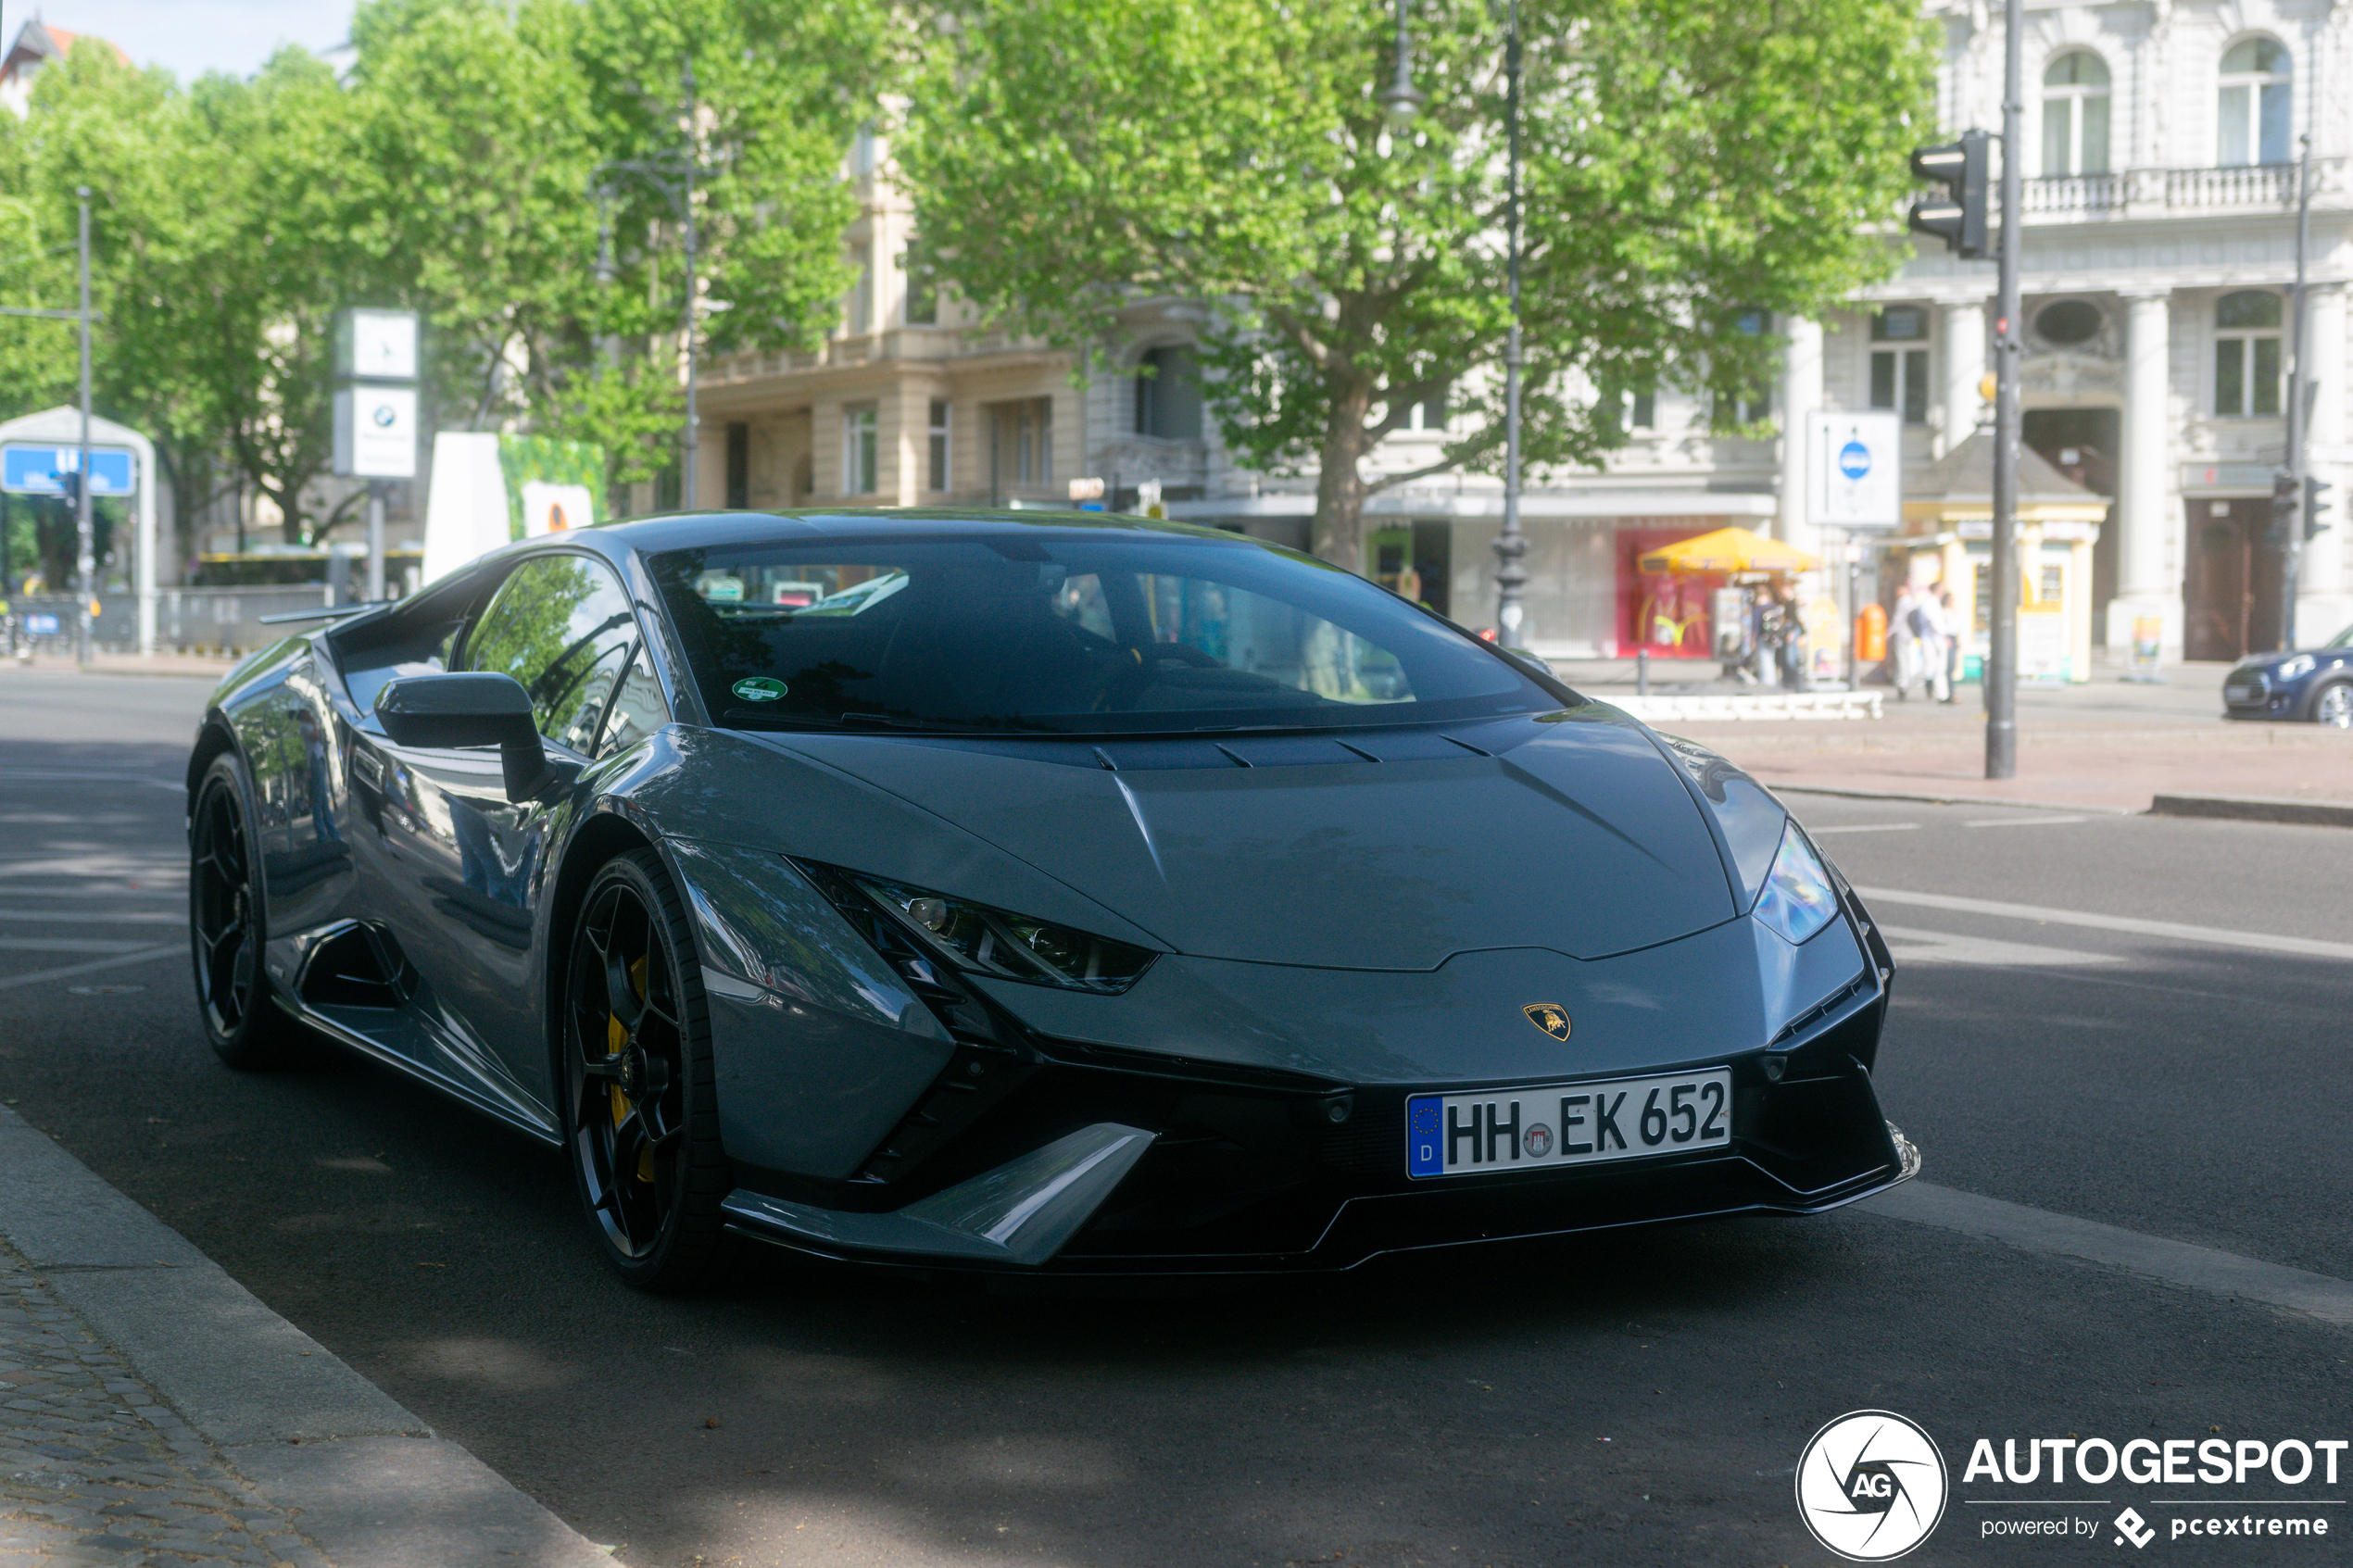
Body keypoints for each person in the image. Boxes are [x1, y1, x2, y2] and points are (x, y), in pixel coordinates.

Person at [1915, 581, 1953, 703]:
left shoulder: (1936, 603)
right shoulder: (1929, 603)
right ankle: (1905, 685)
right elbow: (1932, 623)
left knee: (1940, 669)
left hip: (1938, 640)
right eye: (1941, 589)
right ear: (1936, 590)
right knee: (1929, 668)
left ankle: (1943, 696)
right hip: (1930, 640)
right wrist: (1943, 636)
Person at [1888, 580, 1919, 699]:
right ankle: (1907, 682)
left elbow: (1898, 619)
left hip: (1902, 635)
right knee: (1910, 659)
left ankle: (1903, 684)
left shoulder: (1902, 602)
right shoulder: (1913, 602)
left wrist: (1889, 631)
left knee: (1902, 661)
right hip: (1911, 635)